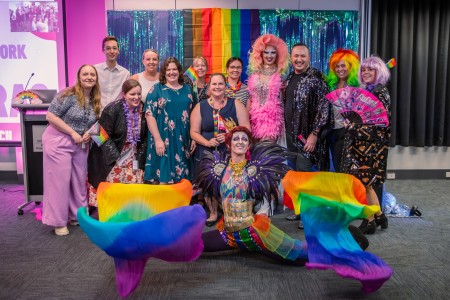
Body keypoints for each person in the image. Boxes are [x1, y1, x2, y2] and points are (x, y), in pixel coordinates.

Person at [195, 126, 392, 293]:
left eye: (244, 139)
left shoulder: (256, 170)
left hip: (252, 232)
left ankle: (351, 238)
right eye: (235, 139)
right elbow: (209, 191)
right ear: (228, 144)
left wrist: (264, 213)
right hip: (228, 233)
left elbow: (268, 194)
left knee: (298, 255)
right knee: (196, 244)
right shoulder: (218, 169)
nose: (239, 142)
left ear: (249, 145)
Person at [41, 64, 101, 236]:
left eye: (92, 74)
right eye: (85, 74)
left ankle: (77, 216)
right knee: (59, 182)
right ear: (79, 76)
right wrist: (72, 132)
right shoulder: (68, 94)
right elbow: (50, 116)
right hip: (58, 140)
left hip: (80, 144)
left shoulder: (95, 98)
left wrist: (90, 134)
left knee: (79, 180)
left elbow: (94, 123)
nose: (89, 77)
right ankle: (58, 222)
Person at [190, 73, 250, 226]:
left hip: (229, 151)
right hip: (206, 150)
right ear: (209, 87)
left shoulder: (235, 104)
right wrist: (207, 142)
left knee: (229, 182)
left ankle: (229, 210)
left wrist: (230, 135)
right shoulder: (200, 106)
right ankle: (213, 213)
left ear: (225, 86)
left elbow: (246, 128)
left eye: (220, 84)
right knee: (208, 182)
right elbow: (194, 132)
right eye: (214, 84)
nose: (217, 87)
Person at [283, 43, 333, 223]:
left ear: (309, 58)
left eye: (302, 56)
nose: (299, 59)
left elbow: (324, 107)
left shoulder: (316, 78)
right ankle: (300, 211)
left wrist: (315, 133)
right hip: (291, 137)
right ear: (291, 58)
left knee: (306, 176)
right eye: (296, 56)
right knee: (295, 175)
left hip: (308, 138)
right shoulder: (289, 78)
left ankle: (310, 216)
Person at [341, 56, 391, 234]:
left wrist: (352, 127)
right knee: (366, 184)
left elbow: (379, 125)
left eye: (371, 69)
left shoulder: (379, 93)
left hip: (370, 147)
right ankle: (379, 215)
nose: (366, 72)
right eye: (363, 70)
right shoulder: (369, 92)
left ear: (379, 72)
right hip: (363, 145)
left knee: (364, 184)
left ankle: (369, 220)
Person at [87, 79, 148, 207]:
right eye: (132, 94)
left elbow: (145, 137)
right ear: (124, 94)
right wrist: (115, 157)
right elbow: (97, 133)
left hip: (133, 155)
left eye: (138, 94)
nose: (136, 97)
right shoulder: (113, 108)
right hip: (113, 155)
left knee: (132, 193)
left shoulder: (144, 109)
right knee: (113, 193)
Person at [144, 57, 196, 184]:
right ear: (164, 72)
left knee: (183, 180)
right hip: (163, 137)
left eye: (174, 69)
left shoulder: (188, 89)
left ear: (179, 71)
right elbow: (149, 115)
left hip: (184, 138)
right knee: (164, 180)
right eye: (168, 70)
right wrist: (157, 139)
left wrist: (194, 136)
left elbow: (195, 113)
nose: (171, 72)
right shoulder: (156, 89)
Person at [246, 34, 289, 142]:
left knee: (267, 152)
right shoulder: (254, 73)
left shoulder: (281, 75)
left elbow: (286, 99)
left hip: (272, 121)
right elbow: (250, 98)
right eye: (266, 52)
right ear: (260, 53)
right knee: (256, 155)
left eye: (273, 52)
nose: (269, 56)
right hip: (254, 120)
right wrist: (246, 119)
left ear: (278, 54)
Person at [325, 49, 360, 172]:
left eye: (343, 65)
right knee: (335, 164)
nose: (340, 69)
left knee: (344, 168)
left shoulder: (357, 86)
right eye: (337, 66)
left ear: (351, 67)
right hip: (331, 131)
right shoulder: (330, 85)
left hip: (347, 133)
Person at [94, 36, 130, 110]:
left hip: (116, 115)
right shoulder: (95, 70)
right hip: (97, 113)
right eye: (108, 48)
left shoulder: (125, 73)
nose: (112, 51)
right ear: (103, 51)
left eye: (114, 48)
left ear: (118, 50)